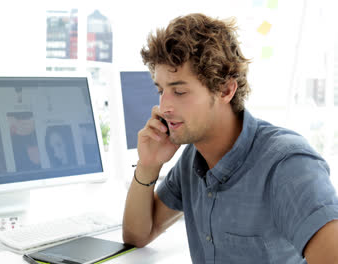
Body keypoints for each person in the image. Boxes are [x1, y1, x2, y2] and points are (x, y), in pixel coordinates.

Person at [122, 13, 338, 264]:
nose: (164, 106)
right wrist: (148, 164)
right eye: (161, 90)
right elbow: (138, 235)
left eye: (179, 91)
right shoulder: (193, 157)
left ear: (225, 90)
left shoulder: (287, 165)